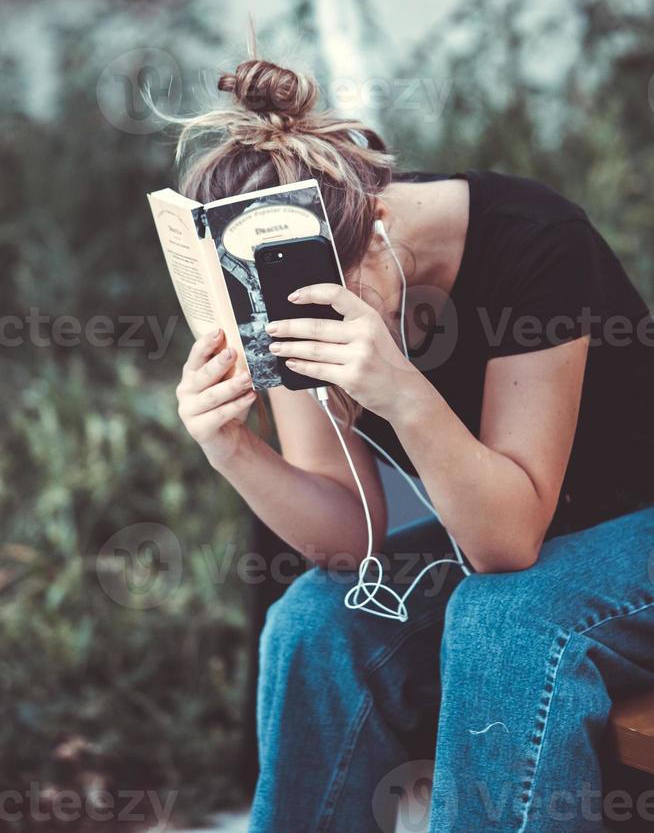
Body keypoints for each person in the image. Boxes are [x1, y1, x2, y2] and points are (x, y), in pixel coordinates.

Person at [173, 53, 654, 832]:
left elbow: (507, 543)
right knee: (312, 622)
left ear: (381, 232)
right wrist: (231, 447)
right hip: (513, 540)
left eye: (336, 299)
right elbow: (348, 537)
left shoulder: (535, 241)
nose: (320, 325)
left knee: (506, 621)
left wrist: (400, 389)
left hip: (629, 524)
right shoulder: (285, 263)